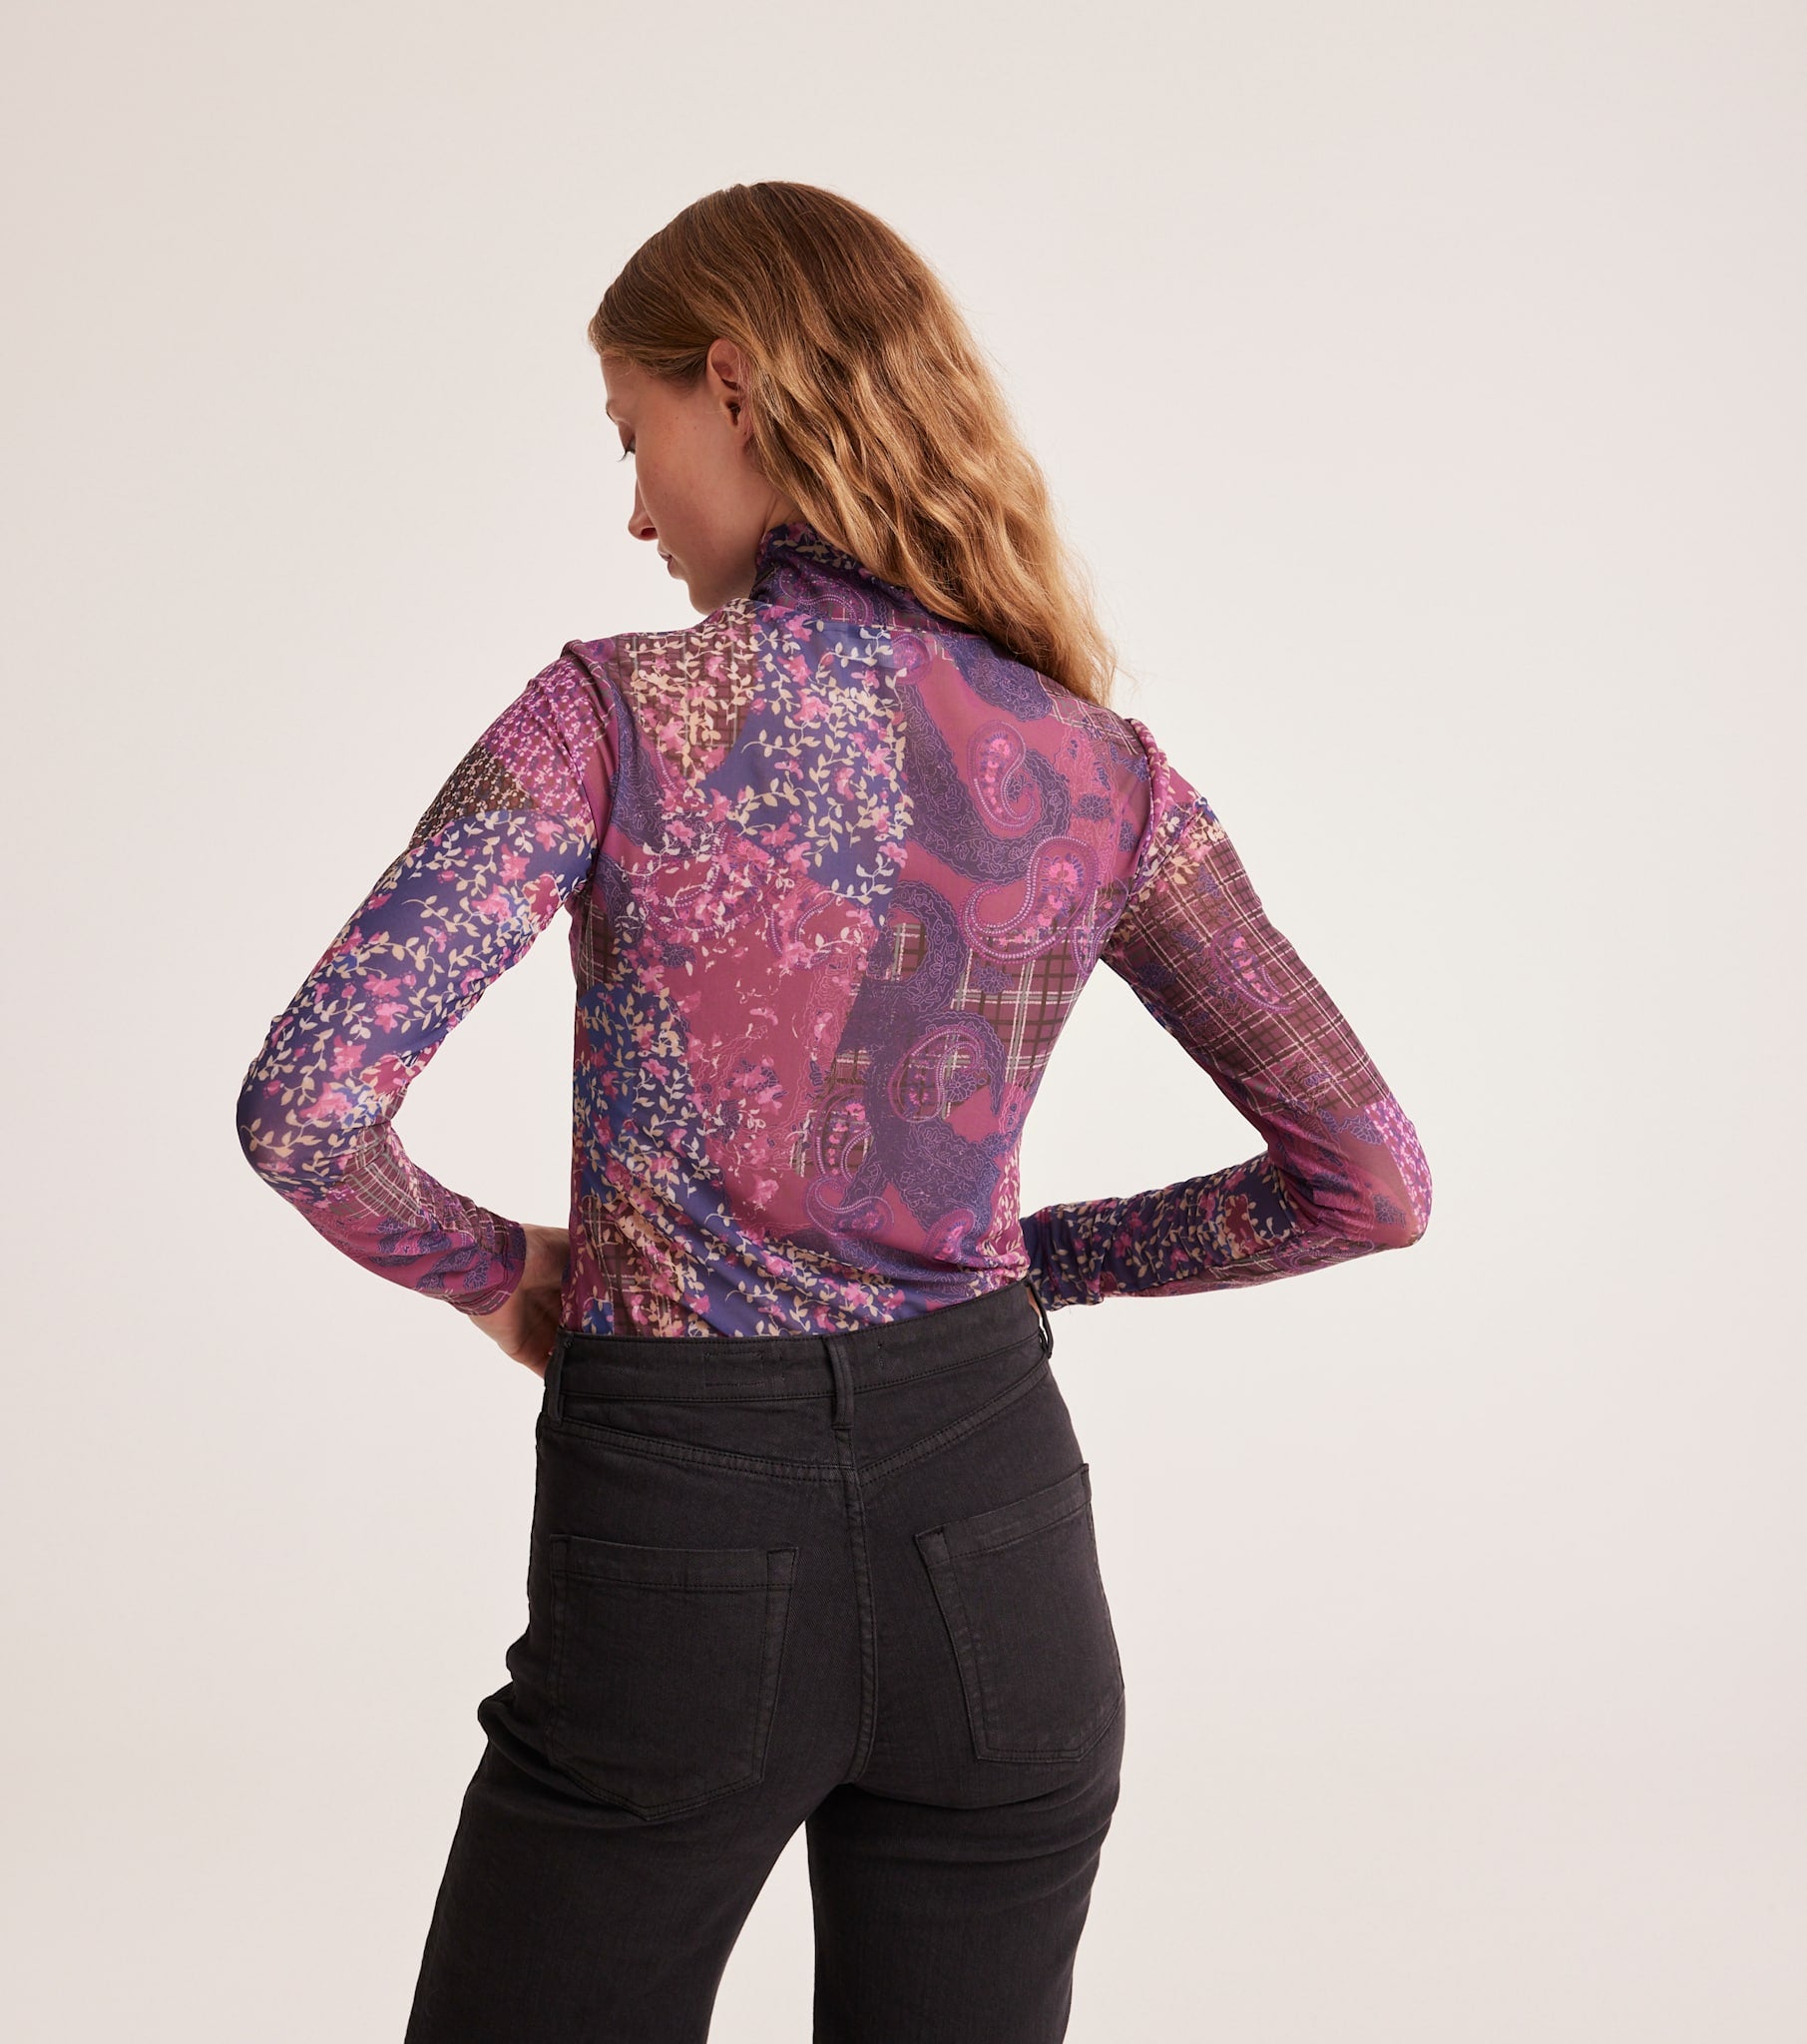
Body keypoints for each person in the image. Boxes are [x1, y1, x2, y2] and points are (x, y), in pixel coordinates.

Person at [235, 180, 1432, 2044]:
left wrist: (498, 1277)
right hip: (1002, 1556)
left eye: (632, 437)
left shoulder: (609, 719)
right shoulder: (1103, 771)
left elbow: (310, 1107)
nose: (639, 513)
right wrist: (1037, 1263)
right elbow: (1370, 1179)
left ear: (734, 383)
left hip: (681, 1549)